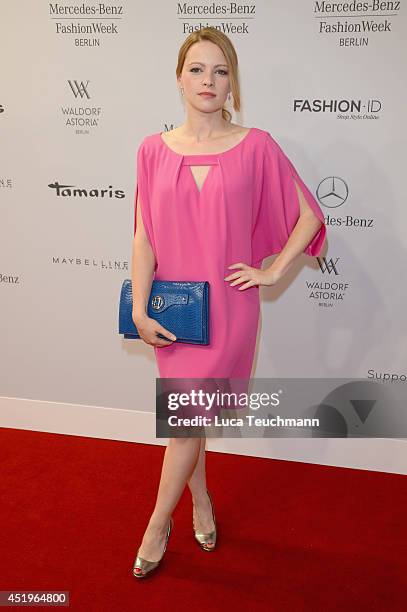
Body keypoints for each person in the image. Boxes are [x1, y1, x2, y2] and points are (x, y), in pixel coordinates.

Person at [130, 27, 326, 578]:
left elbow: (309, 214)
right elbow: (144, 235)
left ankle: (155, 524)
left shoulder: (256, 145)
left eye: (220, 71)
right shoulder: (151, 149)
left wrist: (272, 269)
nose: (208, 80)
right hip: (173, 309)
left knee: (185, 417)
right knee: (188, 420)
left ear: (233, 82)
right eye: (197, 69)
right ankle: (201, 502)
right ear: (179, 78)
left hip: (231, 307)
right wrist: (142, 309)